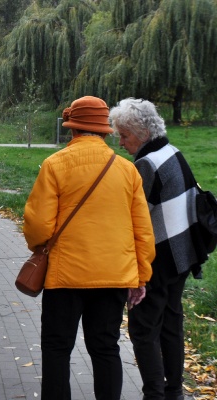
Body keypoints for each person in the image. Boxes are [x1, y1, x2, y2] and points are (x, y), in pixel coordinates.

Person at [23, 96, 155, 400]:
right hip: (113, 276)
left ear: (72, 129)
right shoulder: (127, 170)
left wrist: (39, 247)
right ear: (104, 130)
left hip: (65, 276)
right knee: (106, 347)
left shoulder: (55, 165)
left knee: (57, 348)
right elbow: (143, 231)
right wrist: (142, 276)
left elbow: (39, 226)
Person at [109, 98, 203, 400]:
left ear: (143, 133)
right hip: (184, 254)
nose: (121, 142)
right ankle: (173, 391)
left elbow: (133, 216)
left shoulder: (146, 164)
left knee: (143, 328)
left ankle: (155, 394)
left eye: (125, 135)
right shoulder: (171, 151)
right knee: (171, 324)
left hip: (160, 259)